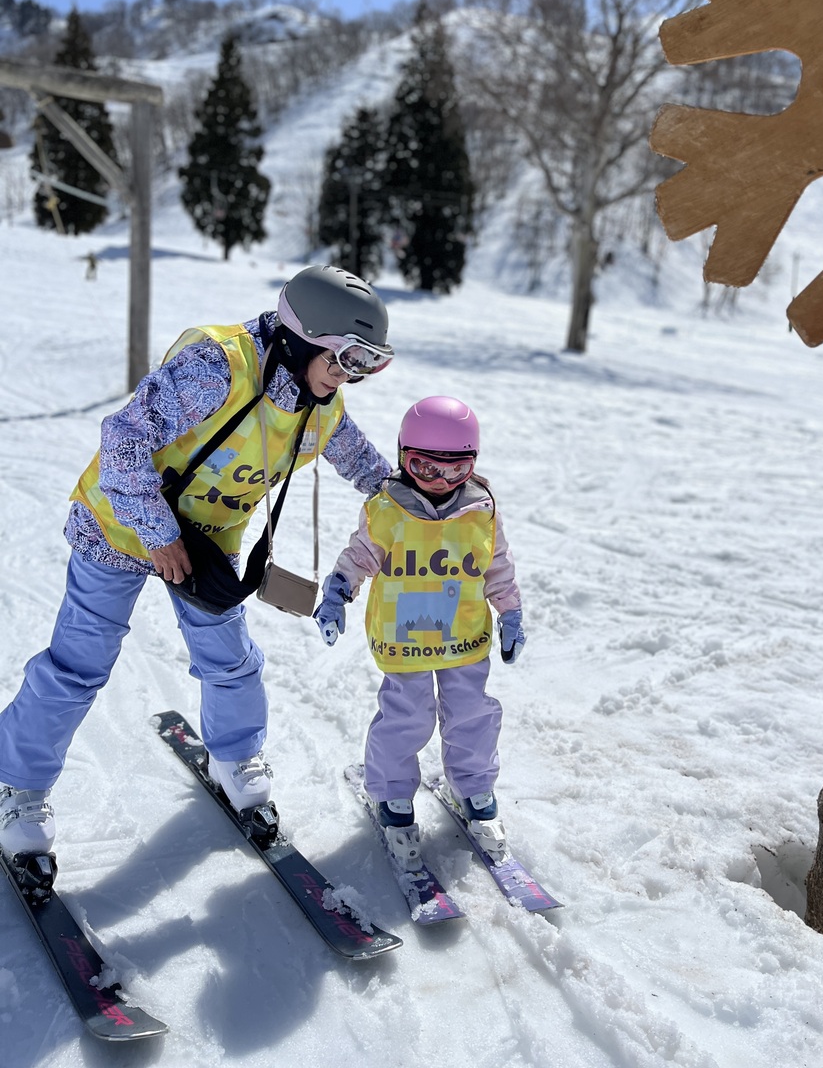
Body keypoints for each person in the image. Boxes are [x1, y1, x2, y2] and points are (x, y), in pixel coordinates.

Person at [0, 264, 394, 860]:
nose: (346, 379)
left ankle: (235, 759)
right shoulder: (217, 368)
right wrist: (158, 533)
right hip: (121, 526)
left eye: (361, 366)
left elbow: (363, 464)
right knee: (79, 662)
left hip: (205, 547)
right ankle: (19, 784)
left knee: (231, 659)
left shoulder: (319, 403)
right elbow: (122, 440)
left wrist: (421, 501)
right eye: (341, 360)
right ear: (299, 339)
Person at [315, 396, 525, 866]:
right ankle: (391, 792)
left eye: (455, 471)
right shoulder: (386, 509)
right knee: (406, 717)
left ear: (472, 464)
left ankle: (474, 787)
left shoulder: (481, 510)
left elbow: (498, 566)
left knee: (472, 714)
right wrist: (337, 592)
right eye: (424, 468)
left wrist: (510, 613)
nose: (440, 483)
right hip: (402, 640)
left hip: (465, 638)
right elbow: (359, 556)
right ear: (403, 456)